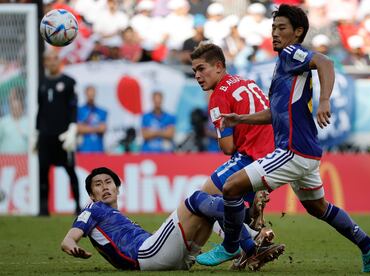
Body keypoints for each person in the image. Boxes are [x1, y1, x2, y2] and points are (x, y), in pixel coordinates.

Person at [196, 4, 370, 273]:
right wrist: (241, 120)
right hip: (306, 152)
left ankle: (230, 245)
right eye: (273, 27)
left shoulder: (290, 53)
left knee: (230, 187)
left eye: (281, 28)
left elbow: (325, 62)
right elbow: (275, 114)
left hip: (292, 151)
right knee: (318, 207)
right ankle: (368, 246)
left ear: (297, 32)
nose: (275, 33)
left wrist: (324, 101)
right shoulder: (284, 64)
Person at [61, 167, 284, 271]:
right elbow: (69, 239)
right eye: (97, 185)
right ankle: (248, 222)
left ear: (117, 189)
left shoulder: (114, 216)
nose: (104, 187)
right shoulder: (93, 209)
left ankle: (247, 247)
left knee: (209, 205)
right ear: (91, 195)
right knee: (197, 198)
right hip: (145, 255)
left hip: (175, 259)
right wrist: (72, 245)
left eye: (108, 182)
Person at [190, 42, 277, 266]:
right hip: (273, 155)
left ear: (218, 66)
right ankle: (251, 244)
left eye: (201, 69)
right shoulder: (244, 81)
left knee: (206, 195)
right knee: (235, 206)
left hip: (251, 154)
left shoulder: (218, 96)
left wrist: (219, 135)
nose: (198, 76)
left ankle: (249, 241)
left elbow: (228, 147)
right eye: (194, 71)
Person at [35, 49, 80, 216]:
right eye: (49, 59)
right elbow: (40, 109)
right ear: (45, 62)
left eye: (55, 59)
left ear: (59, 61)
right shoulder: (41, 83)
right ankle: (43, 209)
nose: (52, 62)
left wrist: (72, 129)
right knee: (43, 171)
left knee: (70, 170)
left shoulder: (69, 82)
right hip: (45, 135)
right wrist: (36, 132)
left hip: (63, 135)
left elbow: (74, 107)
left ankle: (78, 207)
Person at [77, 85, 108, 153]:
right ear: (85, 94)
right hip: (83, 149)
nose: (91, 97)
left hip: (98, 149)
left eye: (93, 94)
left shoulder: (102, 111)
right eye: (89, 94)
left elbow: (103, 128)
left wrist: (85, 127)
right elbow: (78, 129)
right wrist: (96, 127)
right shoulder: (79, 110)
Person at [0, 87, 28, 154]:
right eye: (12, 108)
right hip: (5, 159)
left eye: (18, 108)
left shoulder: (28, 122)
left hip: (24, 159)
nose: (15, 110)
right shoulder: (3, 122)